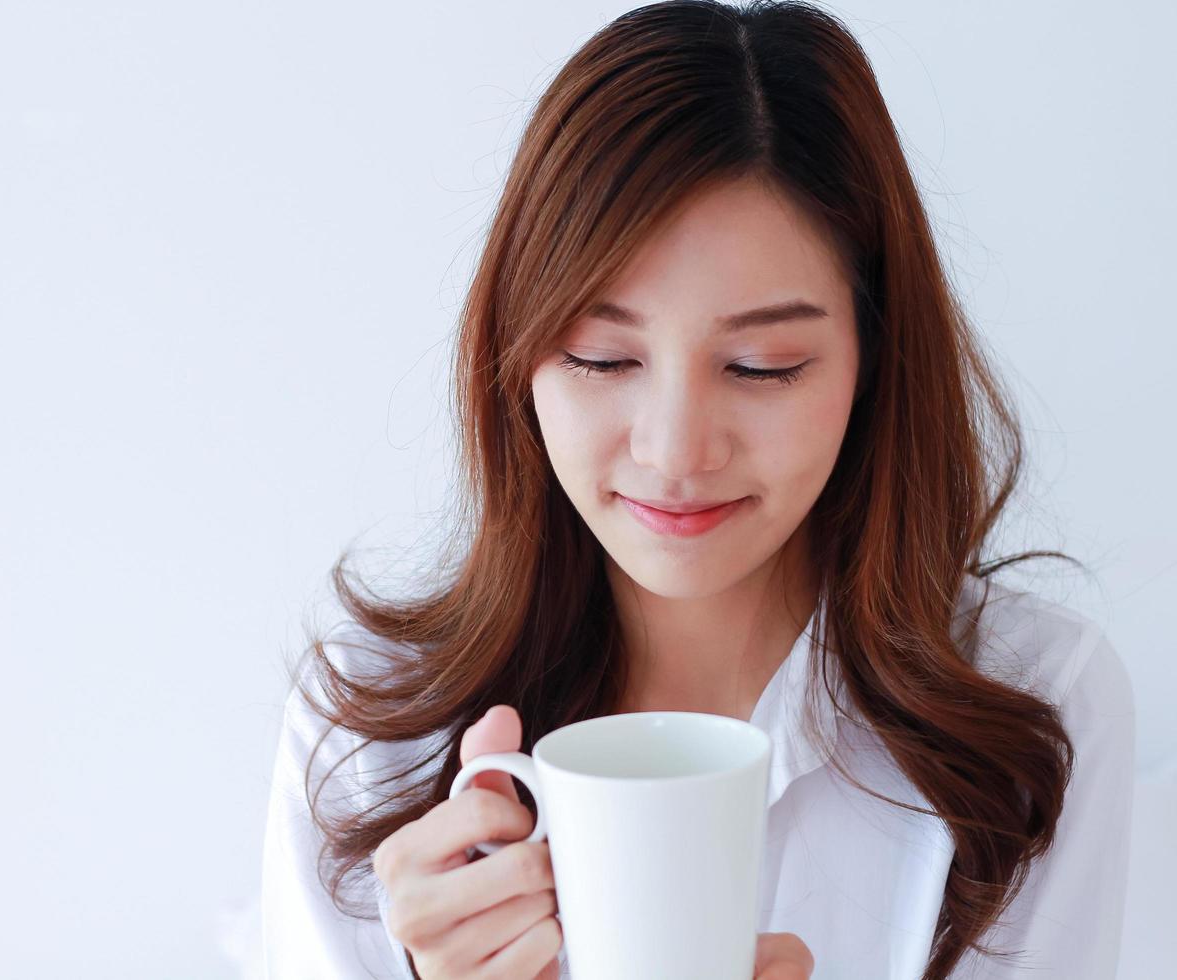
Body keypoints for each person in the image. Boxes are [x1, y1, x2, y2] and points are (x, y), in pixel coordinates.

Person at [260, 1, 1136, 978]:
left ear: (874, 359)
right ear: (514, 357)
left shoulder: (1029, 706)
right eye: (600, 357)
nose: (675, 451)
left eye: (763, 365)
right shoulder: (376, 731)